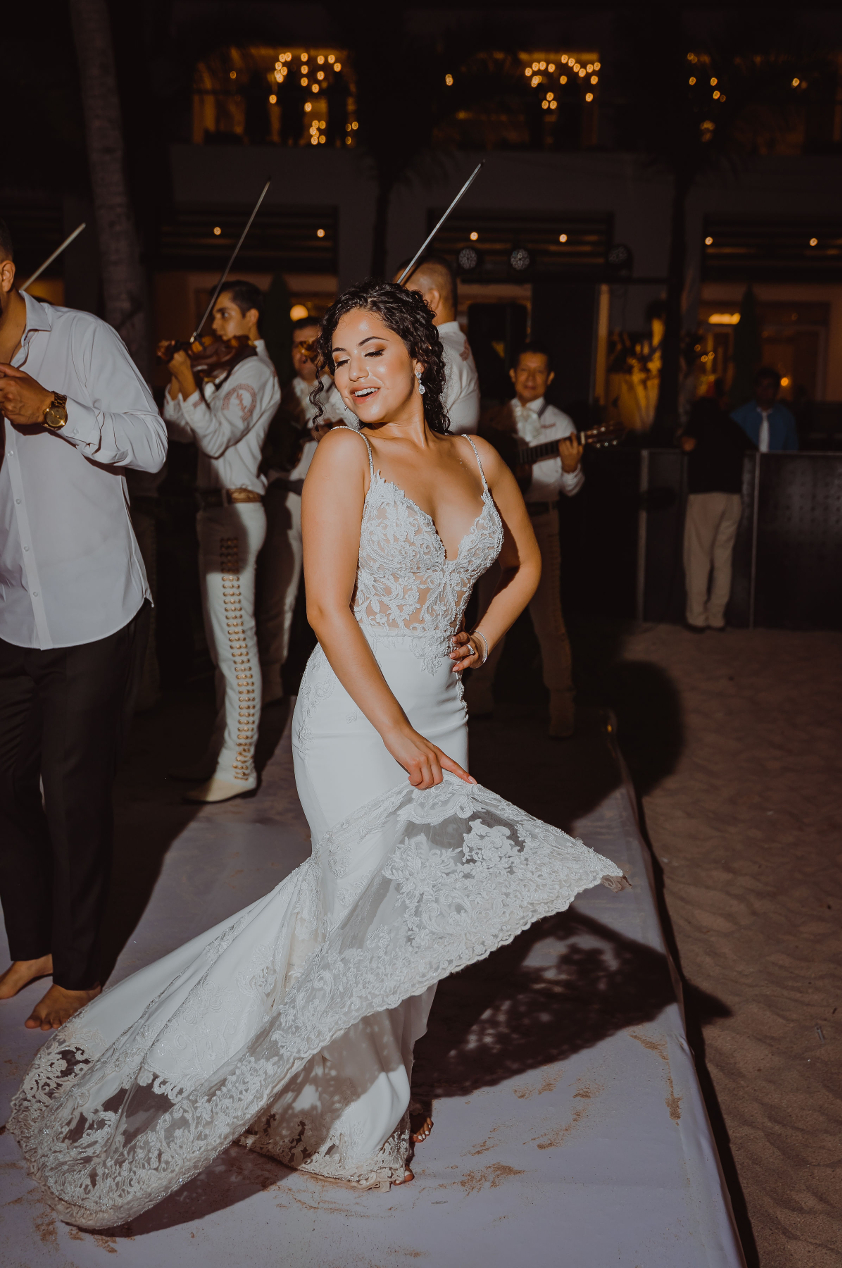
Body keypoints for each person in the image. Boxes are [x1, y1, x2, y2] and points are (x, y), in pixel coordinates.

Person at [10, 280, 625, 1225]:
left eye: (372, 351)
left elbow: (525, 561)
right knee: (356, 913)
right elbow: (327, 613)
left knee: (414, 919)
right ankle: (366, 1118)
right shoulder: (346, 452)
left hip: (442, 711)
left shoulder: (475, 455)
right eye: (340, 359)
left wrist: (485, 634)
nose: (354, 373)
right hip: (354, 720)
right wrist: (395, 733)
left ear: (420, 357)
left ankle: (386, 1069)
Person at [0, 217, 166, 1031]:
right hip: (10, 612)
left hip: (94, 609)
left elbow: (152, 444)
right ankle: (32, 944)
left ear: (1, 272)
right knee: (2, 785)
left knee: (72, 796)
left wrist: (55, 409)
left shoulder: (82, 338)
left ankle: (80, 967)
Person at [162, 280, 280, 802]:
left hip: (235, 513)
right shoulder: (226, 369)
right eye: (215, 318)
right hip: (213, 512)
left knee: (235, 645)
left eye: (226, 315)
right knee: (219, 648)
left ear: (252, 318)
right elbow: (177, 428)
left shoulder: (254, 371)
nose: (215, 326)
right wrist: (180, 379)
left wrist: (191, 376)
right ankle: (221, 752)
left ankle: (239, 764)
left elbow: (212, 437)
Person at [468, 342, 584, 738]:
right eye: (525, 370)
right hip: (497, 527)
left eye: (539, 371)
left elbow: (571, 489)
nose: (531, 378)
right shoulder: (491, 419)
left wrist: (571, 468)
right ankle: (478, 696)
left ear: (549, 378)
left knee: (548, 622)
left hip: (542, 525)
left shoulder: (563, 424)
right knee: (488, 614)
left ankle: (562, 708)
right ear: (513, 375)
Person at [256, 318, 352, 705]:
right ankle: (271, 679)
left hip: (330, 506)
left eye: (311, 344)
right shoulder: (278, 394)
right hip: (286, 498)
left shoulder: (343, 390)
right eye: (298, 345)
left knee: (333, 596)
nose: (304, 352)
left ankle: (335, 680)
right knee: (278, 595)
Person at [680, 393, 754, 633]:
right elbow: (752, 448)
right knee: (723, 558)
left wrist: (681, 435)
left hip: (706, 496)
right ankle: (717, 617)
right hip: (733, 498)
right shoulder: (731, 425)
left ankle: (697, 617)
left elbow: (687, 445)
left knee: (698, 557)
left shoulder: (700, 419)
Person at [396, 255, 480, 434]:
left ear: (431, 300)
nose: (393, 308)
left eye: (401, 298)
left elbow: (401, 428)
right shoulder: (454, 344)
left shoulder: (438, 350)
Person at [731, 366, 799, 452]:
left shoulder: (786, 418)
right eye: (760, 385)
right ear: (755, 388)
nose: (764, 390)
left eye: (769, 386)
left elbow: (792, 451)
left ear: (776, 389)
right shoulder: (739, 417)